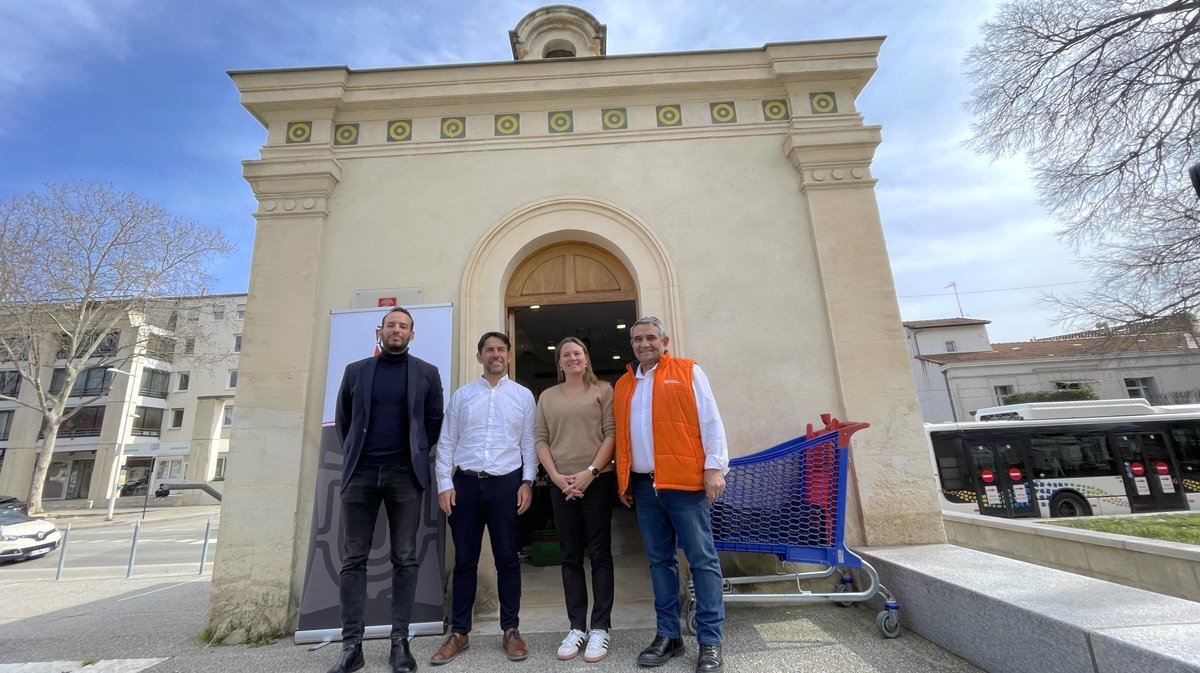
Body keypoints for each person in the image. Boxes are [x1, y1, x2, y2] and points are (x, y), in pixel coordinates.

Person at [329, 306, 445, 673]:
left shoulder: (427, 373)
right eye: (392, 325)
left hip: (404, 476)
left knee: (405, 558)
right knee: (353, 560)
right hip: (360, 475)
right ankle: (352, 647)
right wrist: (357, 458)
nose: (397, 330)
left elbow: (433, 423)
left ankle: (400, 643)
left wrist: (413, 457)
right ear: (380, 331)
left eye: (404, 326)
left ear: (413, 334)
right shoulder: (356, 371)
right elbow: (344, 423)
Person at [614, 317, 729, 673]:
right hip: (644, 486)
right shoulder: (623, 384)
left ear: (665, 341)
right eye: (637, 339)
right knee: (659, 562)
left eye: (651, 337)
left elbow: (711, 420)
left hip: (685, 484)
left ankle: (710, 642)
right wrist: (624, 482)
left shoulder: (688, 371)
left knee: (702, 561)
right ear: (631, 344)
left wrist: (715, 467)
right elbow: (623, 436)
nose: (644, 343)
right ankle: (669, 635)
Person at [432, 331, 537, 665]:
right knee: (464, 561)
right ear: (479, 356)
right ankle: (460, 632)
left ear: (508, 356)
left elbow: (528, 444)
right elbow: (447, 441)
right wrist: (445, 484)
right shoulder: (463, 396)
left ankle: (511, 630)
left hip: (506, 485)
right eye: (489, 349)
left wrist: (528, 482)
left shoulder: (523, 397)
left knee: (508, 559)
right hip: (465, 485)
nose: (496, 354)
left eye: (501, 349)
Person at [534, 337, 616, 663]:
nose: (572, 358)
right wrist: (556, 477)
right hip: (561, 484)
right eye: (565, 354)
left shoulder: (603, 391)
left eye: (577, 353)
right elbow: (540, 438)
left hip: (596, 481)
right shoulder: (547, 397)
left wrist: (590, 472)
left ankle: (601, 628)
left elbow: (611, 434)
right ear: (559, 362)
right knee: (569, 557)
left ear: (586, 358)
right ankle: (577, 626)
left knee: (599, 554)